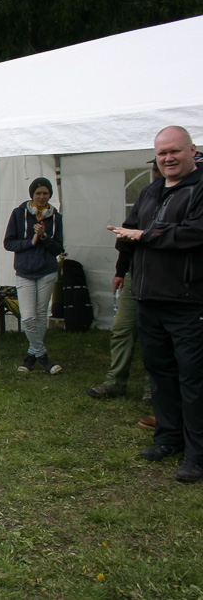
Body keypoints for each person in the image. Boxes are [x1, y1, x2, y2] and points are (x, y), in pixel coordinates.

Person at [108, 126, 203, 483]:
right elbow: (130, 231)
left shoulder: (200, 189)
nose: (168, 159)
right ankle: (168, 438)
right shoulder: (151, 191)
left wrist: (148, 236)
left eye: (175, 151)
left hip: (187, 301)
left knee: (192, 377)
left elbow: (194, 233)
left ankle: (197, 454)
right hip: (149, 299)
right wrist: (123, 254)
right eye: (162, 154)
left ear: (192, 150)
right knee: (160, 373)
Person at [87, 161, 161, 403]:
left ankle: (154, 388)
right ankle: (115, 382)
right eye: (156, 168)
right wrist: (121, 270)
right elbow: (128, 232)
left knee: (157, 335)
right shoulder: (147, 195)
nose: (158, 172)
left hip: (165, 280)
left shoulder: (190, 196)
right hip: (135, 274)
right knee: (122, 330)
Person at [3, 177, 65, 374]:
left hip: (46, 272)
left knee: (40, 316)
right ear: (32, 195)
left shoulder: (56, 218)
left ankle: (31, 355)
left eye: (45, 193)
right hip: (25, 272)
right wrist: (31, 241)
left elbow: (58, 248)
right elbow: (9, 243)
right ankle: (43, 356)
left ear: (50, 196)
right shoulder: (19, 214)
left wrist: (44, 237)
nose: (41, 197)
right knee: (28, 318)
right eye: (38, 193)